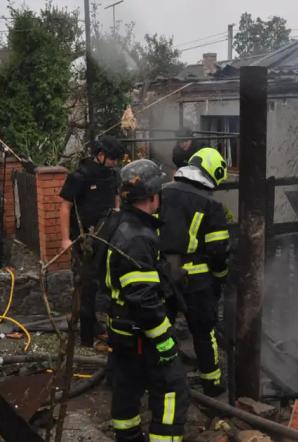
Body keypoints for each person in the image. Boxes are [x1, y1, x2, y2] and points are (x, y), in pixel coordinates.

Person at [105, 159, 189, 442]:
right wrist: (164, 340)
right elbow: (142, 298)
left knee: (127, 388)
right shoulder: (138, 238)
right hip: (141, 334)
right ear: (153, 196)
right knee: (172, 388)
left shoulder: (119, 223)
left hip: (123, 332)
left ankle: (128, 438)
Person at [158, 147, 230, 397]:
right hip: (197, 280)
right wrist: (221, 277)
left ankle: (161, 378)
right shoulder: (211, 205)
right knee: (203, 330)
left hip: (163, 273)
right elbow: (218, 251)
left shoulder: (162, 192)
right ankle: (212, 383)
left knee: (161, 328)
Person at [59, 135, 125, 347]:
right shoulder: (80, 176)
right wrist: (65, 239)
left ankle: (103, 327)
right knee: (87, 286)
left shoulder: (113, 176)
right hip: (84, 239)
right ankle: (86, 337)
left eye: (117, 159)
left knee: (107, 283)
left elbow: (116, 199)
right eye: (113, 159)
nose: (115, 163)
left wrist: (118, 217)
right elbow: (65, 206)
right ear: (101, 155)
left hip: (107, 236)